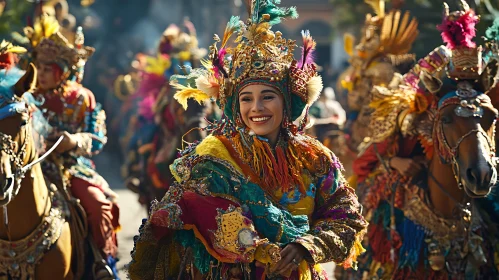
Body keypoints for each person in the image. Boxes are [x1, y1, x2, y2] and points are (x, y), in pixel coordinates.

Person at [128, 1, 367, 279]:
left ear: (287, 103)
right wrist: (260, 249)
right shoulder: (213, 157)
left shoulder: (315, 157)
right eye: (246, 99)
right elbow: (194, 209)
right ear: (235, 107)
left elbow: (347, 216)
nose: (257, 108)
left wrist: (308, 246)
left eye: (268, 97)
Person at [24, 17, 120, 279]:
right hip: (28, 166)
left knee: (98, 205)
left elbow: (98, 138)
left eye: (47, 69)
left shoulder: (82, 98)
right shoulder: (25, 96)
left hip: (69, 168)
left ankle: (101, 261)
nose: (40, 74)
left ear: (63, 71)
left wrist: (73, 141)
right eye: (38, 68)